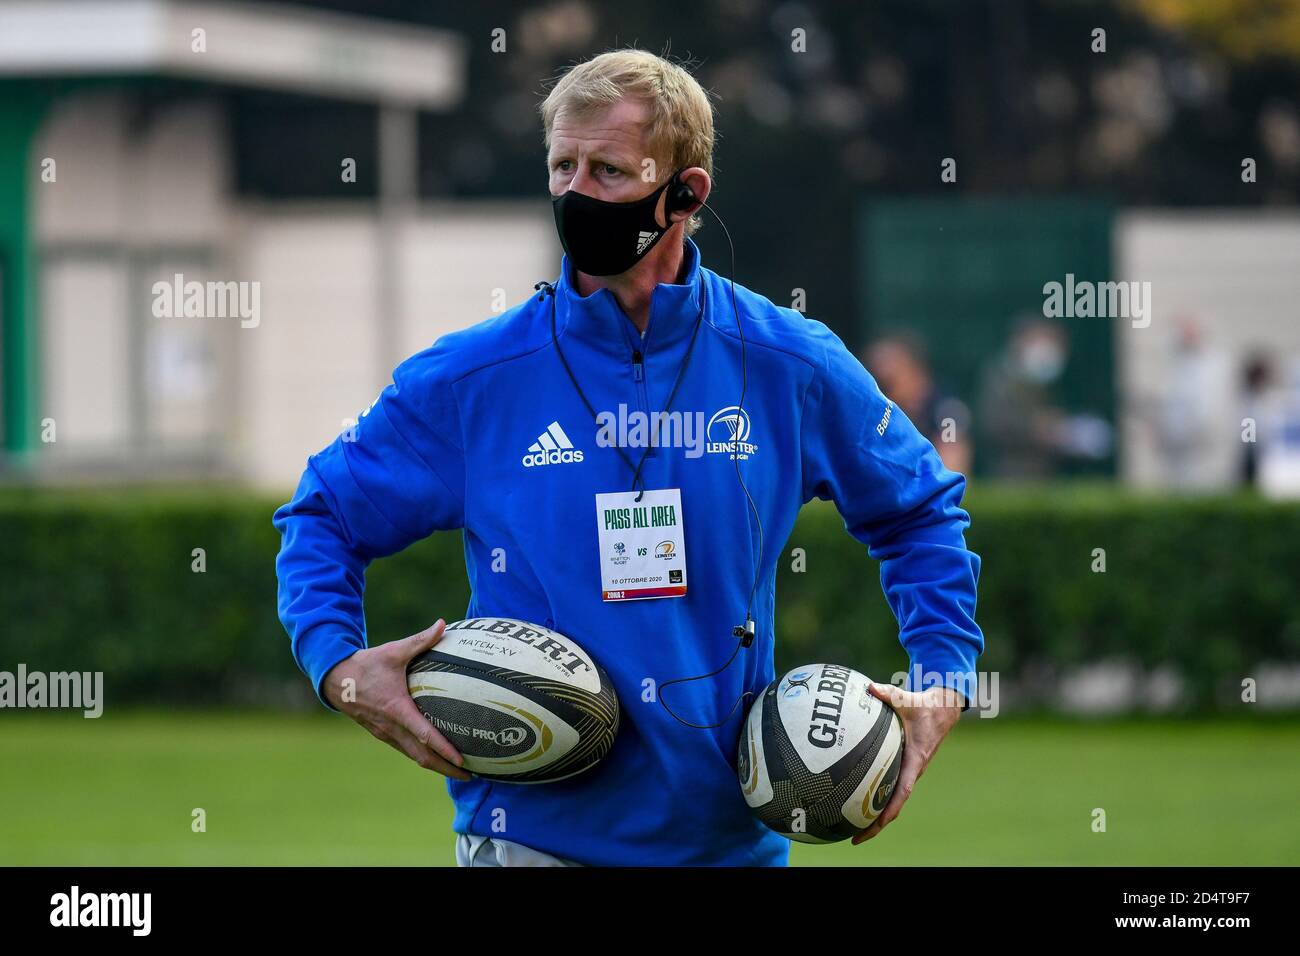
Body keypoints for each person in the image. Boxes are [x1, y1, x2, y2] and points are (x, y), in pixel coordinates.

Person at [273, 49, 983, 867]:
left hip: (730, 851)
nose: (577, 194)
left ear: (686, 193)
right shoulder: (473, 379)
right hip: (528, 843)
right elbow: (322, 513)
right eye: (561, 167)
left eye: (608, 171)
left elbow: (920, 512)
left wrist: (942, 679)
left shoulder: (791, 363)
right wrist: (339, 665)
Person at [865, 333, 972, 473]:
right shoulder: (877, 411)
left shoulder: (947, 410)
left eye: (891, 380)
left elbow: (951, 465)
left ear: (915, 369)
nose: (883, 384)